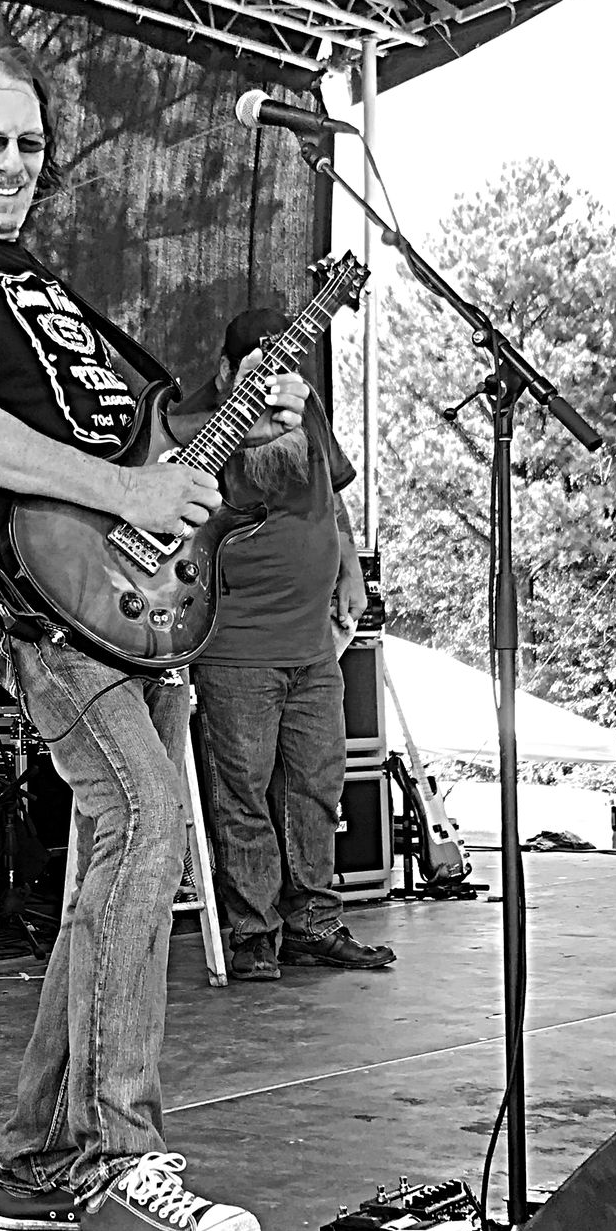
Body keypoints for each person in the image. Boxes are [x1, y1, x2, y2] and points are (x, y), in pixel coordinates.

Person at [0, 28, 310, 1231]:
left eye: (31, 143)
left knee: (120, 850)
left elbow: (172, 456)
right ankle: (115, 1167)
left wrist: (244, 445)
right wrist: (125, 487)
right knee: (144, 817)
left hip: (129, 599)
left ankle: (39, 1163)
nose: (13, 162)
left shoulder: (43, 283)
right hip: (46, 599)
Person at [178, 310, 396, 982]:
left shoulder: (305, 409)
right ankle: (253, 932)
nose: (273, 382)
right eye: (257, 369)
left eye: (283, 369)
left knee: (317, 787)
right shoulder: (199, 431)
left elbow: (332, 492)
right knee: (242, 794)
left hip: (312, 643)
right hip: (236, 645)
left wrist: (351, 569)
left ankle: (314, 925)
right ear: (226, 371)